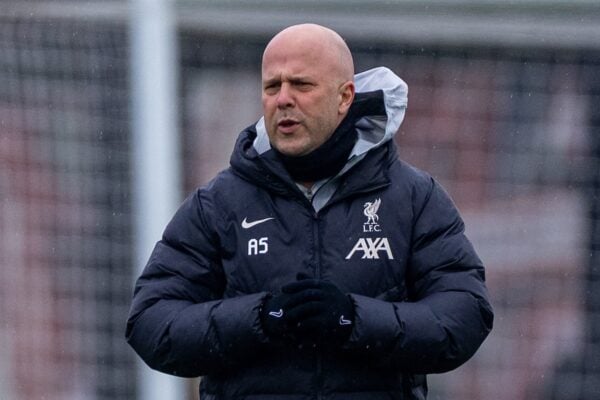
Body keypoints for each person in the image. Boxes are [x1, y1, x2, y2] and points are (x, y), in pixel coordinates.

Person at [126, 23, 493, 400]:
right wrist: (261, 317)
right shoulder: (219, 204)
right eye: (272, 87)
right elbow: (152, 323)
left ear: (344, 97)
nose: (283, 99)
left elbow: (464, 315)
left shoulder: (413, 199)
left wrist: (353, 319)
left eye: (301, 85)